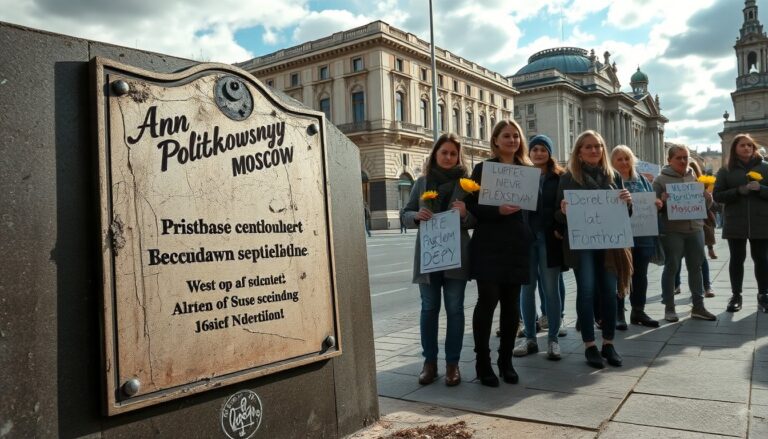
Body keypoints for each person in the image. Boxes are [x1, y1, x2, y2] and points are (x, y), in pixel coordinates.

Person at [403, 133, 476, 386]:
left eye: (453, 153)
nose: (448, 157)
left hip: (456, 257)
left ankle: (453, 364)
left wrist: (466, 214)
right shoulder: (422, 182)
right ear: (435, 154)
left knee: (455, 309)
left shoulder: (466, 185)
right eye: (444, 152)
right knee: (429, 308)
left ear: (458, 156)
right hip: (429, 257)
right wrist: (415, 216)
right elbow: (406, 212)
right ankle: (429, 363)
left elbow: (477, 219)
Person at [555, 130, 631, 369]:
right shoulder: (568, 178)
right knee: (586, 291)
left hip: (609, 244)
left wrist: (627, 202)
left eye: (597, 146)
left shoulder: (613, 175)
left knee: (609, 291)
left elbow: (625, 215)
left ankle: (608, 343)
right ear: (579, 151)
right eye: (588, 146)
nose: (594, 150)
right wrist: (563, 211)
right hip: (582, 246)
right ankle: (589, 345)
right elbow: (557, 216)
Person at [466, 120, 532, 386]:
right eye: (506, 136)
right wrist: (497, 210)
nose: (512, 140)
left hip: (517, 245)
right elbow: (472, 206)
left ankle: (506, 361)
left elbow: (535, 208)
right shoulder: (483, 169)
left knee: (511, 305)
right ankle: (483, 362)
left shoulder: (527, 170)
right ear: (495, 140)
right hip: (489, 244)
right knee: (487, 301)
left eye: (516, 136)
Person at [513, 134, 565, 360]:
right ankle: (530, 338)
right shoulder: (521, 175)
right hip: (526, 239)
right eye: (535, 149)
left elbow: (563, 207)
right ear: (529, 152)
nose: (539, 153)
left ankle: (553, 339)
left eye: (543, 149)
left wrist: (559, 226)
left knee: (551, 289)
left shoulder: (559, 177)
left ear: (550, 153)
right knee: (526, 289)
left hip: (550, 239)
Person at [653, 145, 716, 322]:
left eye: (685, 157)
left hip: (696, 229)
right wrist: (661, 202)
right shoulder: (660, 180)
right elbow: (653, 207)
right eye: (679, 158)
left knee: (696, 267)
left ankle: (698, 307)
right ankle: (669, 308)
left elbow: (705, 206)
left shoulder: (695, 177)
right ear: (669, 160)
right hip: (672, 231)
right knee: (671, 267)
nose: (683, 161)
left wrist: (708, 198)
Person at [713, 133, 768, 313]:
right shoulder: (725, 170)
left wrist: (761, 188)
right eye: (742, 145)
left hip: (761, 221)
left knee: (762, 259)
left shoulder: (765, 167)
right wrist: (738, 191)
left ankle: (763, 295)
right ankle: (736, 296)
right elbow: (717, 195)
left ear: (754, 148)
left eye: (749, 145)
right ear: (735, 149)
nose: (746, 148)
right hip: (735, 222)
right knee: (737, 259)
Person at [610, 145, 662, 328]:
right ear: (612, 162)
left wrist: (657, 203)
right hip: (620, 236)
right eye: (619, 159)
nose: (624, 162)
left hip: (643, 235)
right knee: (619, 273)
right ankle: (618, 313)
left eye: (627, 158)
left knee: (640, 274)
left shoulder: (642, 179)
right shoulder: (610, 180)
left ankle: (638, 311)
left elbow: (651, 200)